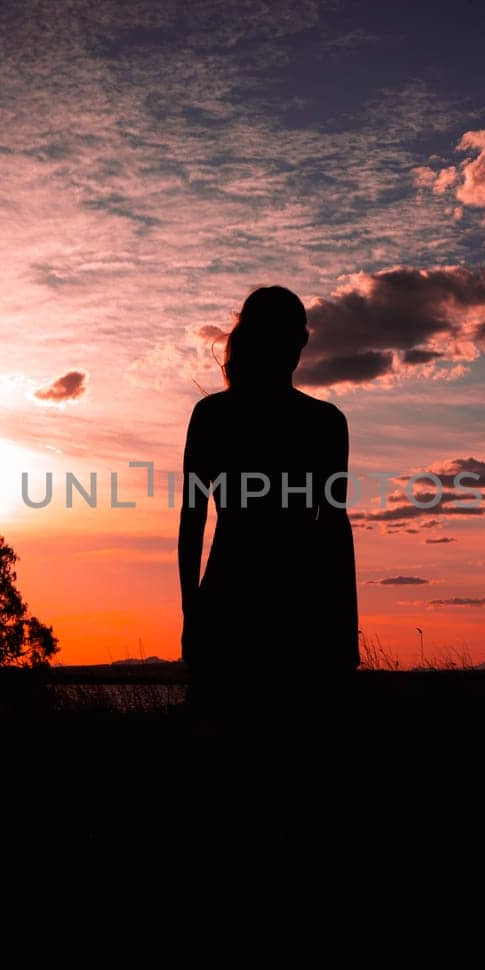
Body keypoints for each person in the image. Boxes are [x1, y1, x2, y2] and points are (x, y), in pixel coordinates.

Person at [177, 286, 362, 724]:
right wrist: (343, 629)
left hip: (240, 606)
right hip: (295, 612)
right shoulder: (324, 423)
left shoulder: (214, 416)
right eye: (292, 336)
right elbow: (334, 527)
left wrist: (192, 613)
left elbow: (192, 523)